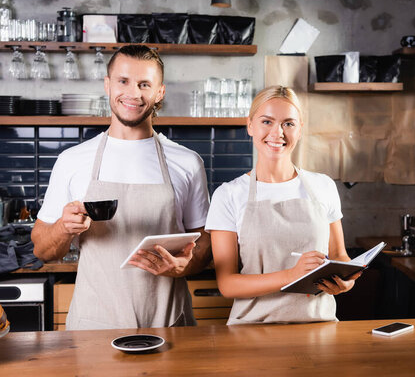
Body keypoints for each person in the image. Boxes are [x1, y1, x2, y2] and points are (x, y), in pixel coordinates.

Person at [31, 45, 212, 330]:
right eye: (123, 81)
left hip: (168, 323)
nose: (133, 93)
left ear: (160, 92)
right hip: (94, 325)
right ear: (108, 85)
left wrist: (184, 266)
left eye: (144, 84)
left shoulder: (187, 162)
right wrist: (64, 228)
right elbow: (42, 248)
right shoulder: (72, 161)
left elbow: (205, 245)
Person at [205, 85, 360, 325]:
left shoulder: (324, 186)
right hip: (251, 330)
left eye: (288, 124)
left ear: (299, 130)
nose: (277, 133)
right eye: (267, 122)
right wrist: (291, 275)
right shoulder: (228, 195)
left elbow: (340, 255)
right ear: (250, 125)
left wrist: (347, 281)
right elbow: (227, 283)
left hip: (319, 326)